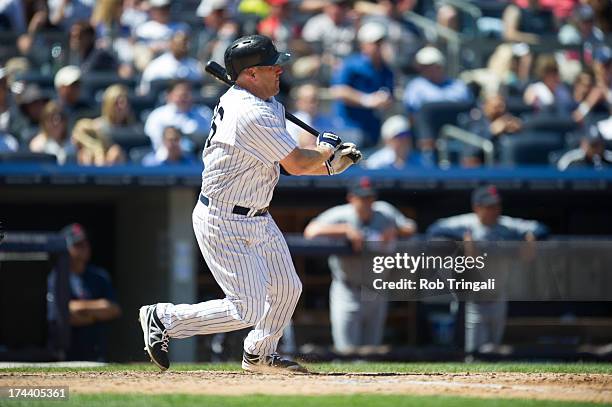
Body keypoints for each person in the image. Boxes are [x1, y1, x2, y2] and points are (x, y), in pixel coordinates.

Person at [138, 34, 362, 373]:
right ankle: (165, 319)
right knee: (247, 308)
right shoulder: (250, 112)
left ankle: (259, 353)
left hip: (257, 213)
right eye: (272, 67)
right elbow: (298, 164)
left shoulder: (267, 102)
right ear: (251, 74)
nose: (280, 71)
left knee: (288, 288)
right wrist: (326, 150)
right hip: (223, 218)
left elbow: (290, 162)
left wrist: (329, 164)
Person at [426, 185, 548, 355]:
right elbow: (434, 230)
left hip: (498, 296)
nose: (494, 210)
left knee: (494, 350)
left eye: (496, 206)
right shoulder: (466, 223)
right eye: (489, 206)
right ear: (477, 207)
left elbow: (540, 228)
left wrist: (530, 237)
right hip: (472, 300)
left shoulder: (506, 225)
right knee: (472, 351)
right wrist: (462, 242)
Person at [303, 177, 416, 353]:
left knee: (372, 351)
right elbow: (310, 231)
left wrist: (396, 230)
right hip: (348, 290)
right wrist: (344, 230)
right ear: (351, 198)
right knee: (347, 351)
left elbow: (410, 226)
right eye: (361, 198)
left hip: (376, 290)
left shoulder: (384, 212)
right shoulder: (341, 215)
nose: (366, 202)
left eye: (369, 197)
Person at [47, 223, 122, 361]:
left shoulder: (99, 276)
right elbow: (63, 314)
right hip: (66, 356)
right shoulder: (56, 277)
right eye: (78, 244)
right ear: (65, 248)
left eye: (86, 243)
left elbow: (113, 309)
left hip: (96, 353)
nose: (85, 247)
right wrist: (96, 312)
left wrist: (82, 310)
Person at [330, 22, 394, 148]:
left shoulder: (386, 70)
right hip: (349, 127)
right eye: (376, 43)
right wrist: (367, 100)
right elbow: (337, 91)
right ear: (364, 45)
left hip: (373, 128)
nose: (379, 46)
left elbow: (389, 97)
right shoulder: (351, 64)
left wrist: (385, 101)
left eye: (381, 43)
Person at [144, 80, 213, 154]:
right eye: (180, 95)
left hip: (198, 158)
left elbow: (211, 138)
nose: (184, 98)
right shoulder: (157, 115)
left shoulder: (204, 113)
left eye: (187, 94)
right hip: (167, 159)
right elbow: (155, 142)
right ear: (169, 95)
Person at [403, 46, 472, 115]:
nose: (427, 69)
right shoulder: (416, 86)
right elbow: (412, 113)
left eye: (430, 66)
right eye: (424, 67)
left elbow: (470, 109)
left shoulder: (458, 86)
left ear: (440, 65)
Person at [139, 31, 203, 95]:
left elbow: (199, 88)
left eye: (185, 43)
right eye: (179, 43)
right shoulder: (157, 65)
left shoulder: (194, 65)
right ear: (171, 44)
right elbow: (145, 90)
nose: (182, 46)